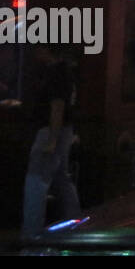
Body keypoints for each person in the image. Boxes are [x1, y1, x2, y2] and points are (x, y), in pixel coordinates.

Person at [22, 46, 81, 239]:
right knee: (61, 178)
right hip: (64, 130)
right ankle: (75, 224)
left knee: (36, 182)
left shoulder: (55, 73)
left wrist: (52, 139)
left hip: (51, 131)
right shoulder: (67, 71)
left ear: (46, 49)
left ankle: (31, 236)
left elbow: (57, 107)